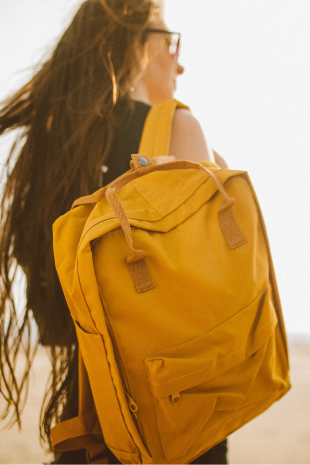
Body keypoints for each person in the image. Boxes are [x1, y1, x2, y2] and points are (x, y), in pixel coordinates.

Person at [0, 1, 227, 464]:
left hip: (81, 419)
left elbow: (56, 315)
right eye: (170, 40)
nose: (179, 60)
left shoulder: (56, 150)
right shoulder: (178, 130)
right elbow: (211, 305)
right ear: (134, 44)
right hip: (173, 417)